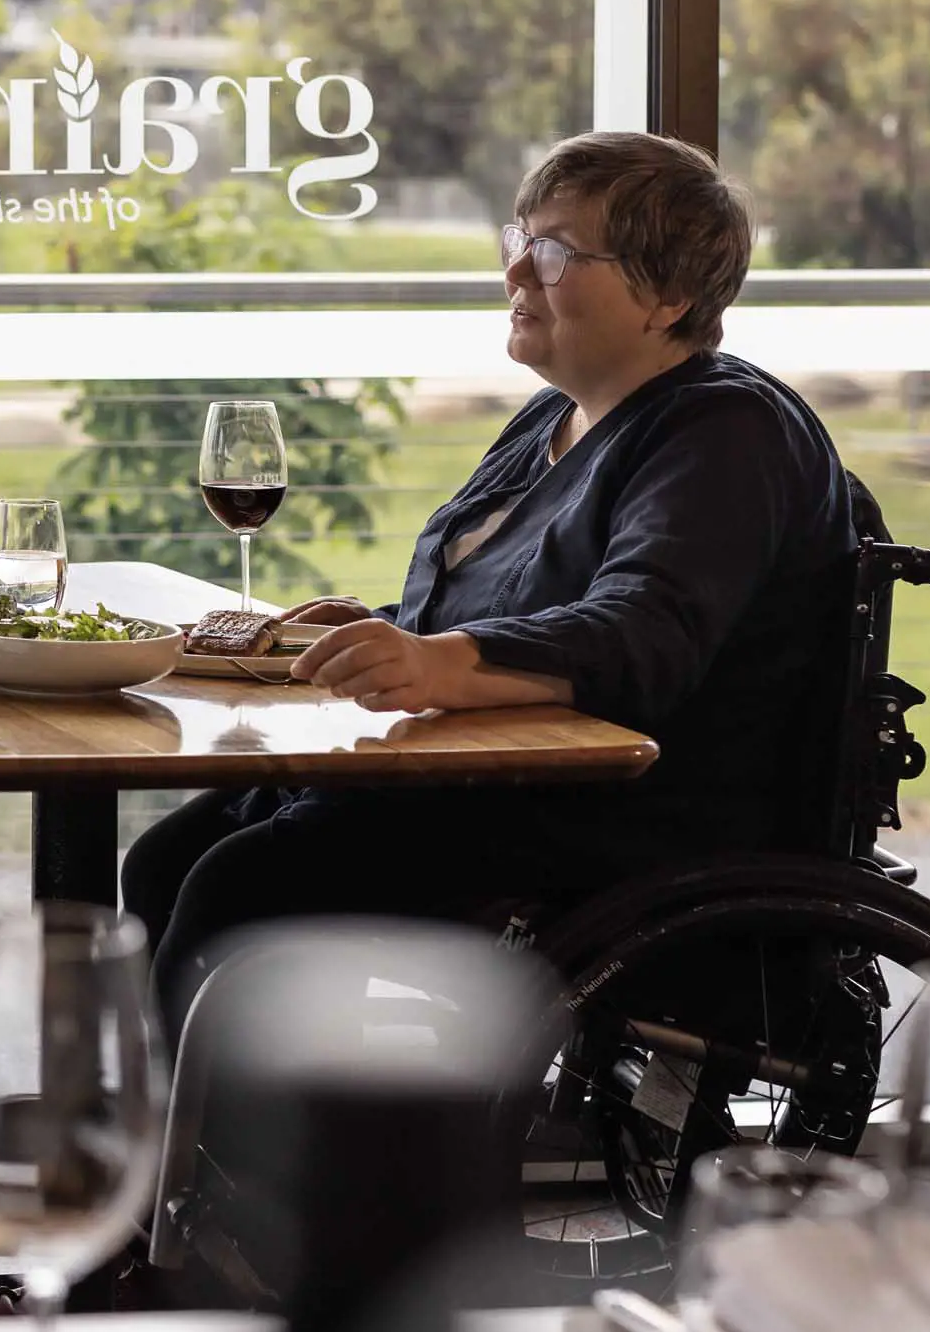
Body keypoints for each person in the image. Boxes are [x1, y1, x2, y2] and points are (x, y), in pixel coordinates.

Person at [121, 130, 863, 1036]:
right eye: (518, 241)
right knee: (167, 857)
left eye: (553, 252)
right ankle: (191, 1152)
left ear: (666, 296)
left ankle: (247, 1169)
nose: (516, 274)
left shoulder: (727, 433)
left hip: (619, 818)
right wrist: (378, 634)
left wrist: (442, 664)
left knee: (239, 890)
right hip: (487, 780)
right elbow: (502, 605)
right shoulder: (557, 414)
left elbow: (643, 632)